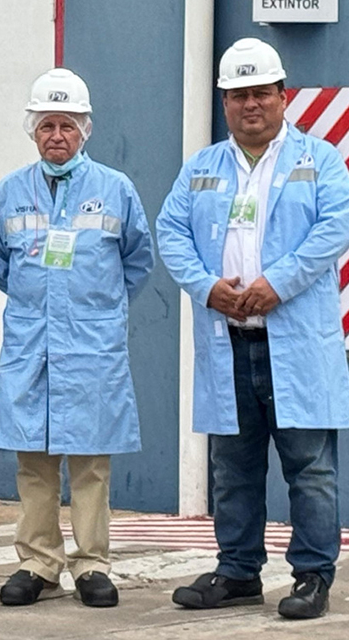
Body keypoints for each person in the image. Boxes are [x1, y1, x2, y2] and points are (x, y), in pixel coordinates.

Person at [158, 37, 349, 621]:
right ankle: (238, 571)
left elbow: (335, 226)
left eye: (261, 93)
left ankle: (313, 574)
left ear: (282, 96)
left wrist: (279, 282)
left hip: (293, 341)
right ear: (224, 102)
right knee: (232, 467)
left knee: (310, 468)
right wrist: (207, 287)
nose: (250, 105)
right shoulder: (202, 167)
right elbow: (171, 232)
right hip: (229, 342)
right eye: (238, 95)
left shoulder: (320, 160)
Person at [0, 69, 154, 608]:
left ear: (85, 130)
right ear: (33, 131)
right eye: (46, 125)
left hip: (91, 347)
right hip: (32, 344)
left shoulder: (115, 189)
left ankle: (92, 565)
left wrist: (95, 307)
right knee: (33, 463)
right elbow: (0, 265)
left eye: (67, 125)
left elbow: (137, 261)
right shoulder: (11, 191)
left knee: (90, 463)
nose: (56, 135)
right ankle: (37, 563)